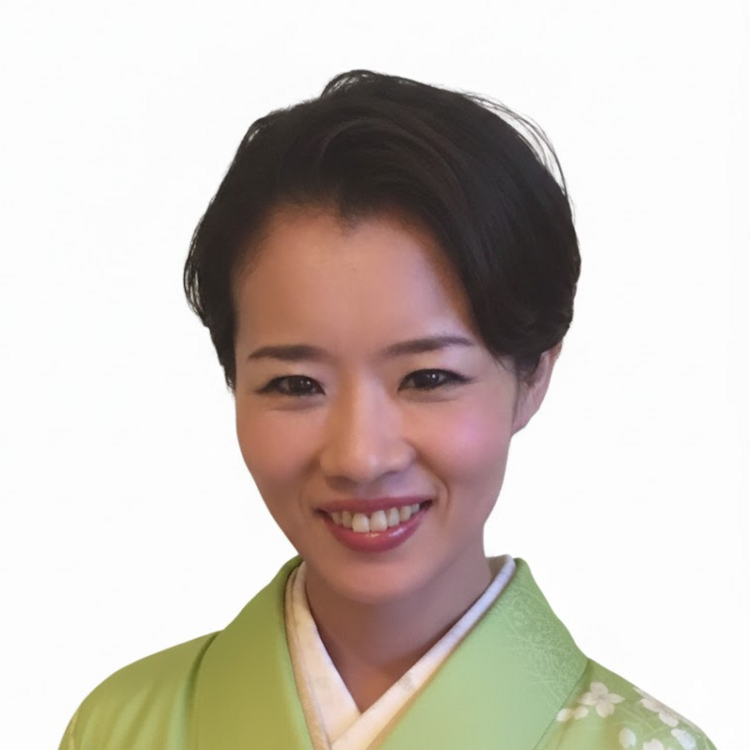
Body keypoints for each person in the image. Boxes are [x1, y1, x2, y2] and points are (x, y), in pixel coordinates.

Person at [59, 70, 716, 749]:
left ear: (534, 375)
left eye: (428, 377)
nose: (360, 457)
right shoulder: (119, 729)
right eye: (295, 385)